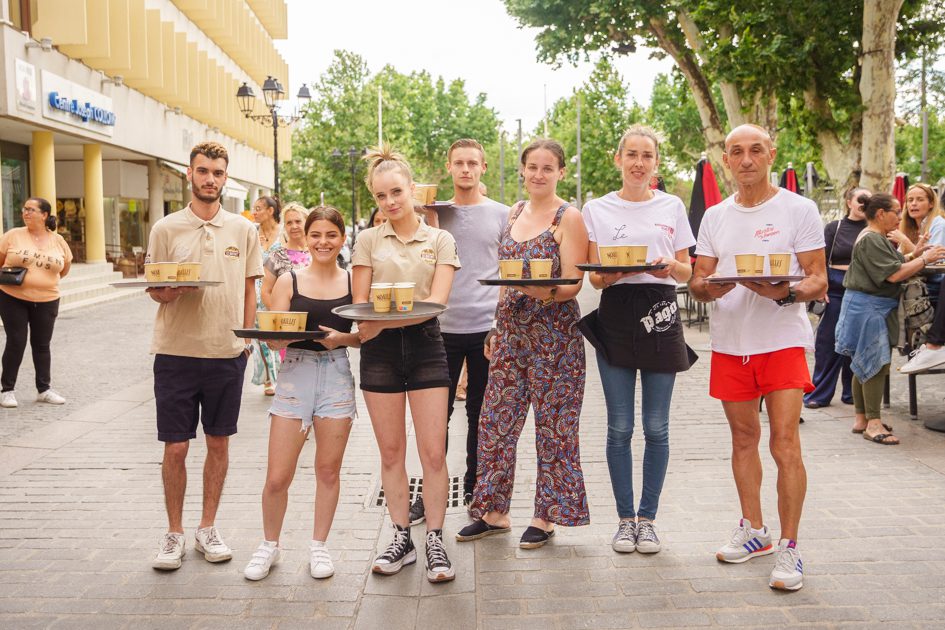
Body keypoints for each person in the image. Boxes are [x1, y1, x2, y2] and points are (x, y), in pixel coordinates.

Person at [689, 124, 827, 592]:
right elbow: (697, 282)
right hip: (731, 343)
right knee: (744, 439)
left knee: (784, 443)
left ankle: (790, 547)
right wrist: (710, 288)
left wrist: (784, 291)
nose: (746, 159)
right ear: (725, 160)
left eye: (755, 150)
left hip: (783, 339)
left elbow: (818, 280)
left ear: (771, 153)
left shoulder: (799, 208)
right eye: (736, 152)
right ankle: (755, 531)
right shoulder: (714, 216)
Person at [458, 138, 589, 549]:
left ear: (560, 173)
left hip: (556, 337)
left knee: (554, 428)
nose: (538, 174)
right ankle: (493, 512)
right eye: (532, 166)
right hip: (512, 334)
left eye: (547, 168)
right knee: (495, 423)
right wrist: (496, 328)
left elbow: (572, 283)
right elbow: (503, 279)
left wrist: (535, 291)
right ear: (522, 169)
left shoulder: (569, 217)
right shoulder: (514, 212)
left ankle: (545, 517)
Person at [579, 125, 696, 554]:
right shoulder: (597, 208)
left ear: (656, 164)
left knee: (657, 427)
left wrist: (670, 266)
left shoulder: (672, 205)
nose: (639, 162)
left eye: (647, 155)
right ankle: (624, 519)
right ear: (618, 158)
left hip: (661, 312)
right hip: (616, 312)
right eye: (631, 154)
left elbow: (688, 270)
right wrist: (615, 272)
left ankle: (648, 519)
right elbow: (594, 274)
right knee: (619, 427)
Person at [149, 141, 263, 570]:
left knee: (218, 443)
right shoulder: (166, 228)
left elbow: (251, 286)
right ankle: (173, 533)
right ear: (189, 175)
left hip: (226, 353)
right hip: (175, 352)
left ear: (226, 177)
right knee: (175, 448)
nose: (209, 179)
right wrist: (169, 291)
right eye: (202, 171)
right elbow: (155, 289)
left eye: (217, 172)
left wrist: (247, 340)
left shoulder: (243, 229)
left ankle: (207, 528)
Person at [350, 145, 460, 583]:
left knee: (433, 453)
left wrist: (385, 321)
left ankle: (435, 538)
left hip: (427, 347)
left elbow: (437, 303)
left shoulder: (440, 239)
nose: (390, 201)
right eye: (381, 196)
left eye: (396, 191)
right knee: (391, 452)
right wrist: (371, 325)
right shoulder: (366, 240)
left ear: (413, 189)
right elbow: (360, 305)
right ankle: (401, 538)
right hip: (379, 353)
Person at [243, 206, 359, 581]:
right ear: (305, 239)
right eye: (316, 235)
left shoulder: (354, 281)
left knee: (327, 470)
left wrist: (343, 339)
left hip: (337, 376)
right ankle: (269, 546)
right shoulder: (289, 280)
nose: (323, 242)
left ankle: (319, 547)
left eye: (331, 235)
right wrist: (284, 337)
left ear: (341, 239)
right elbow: (273, 332)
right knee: (278, 475)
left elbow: (369, 335)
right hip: (294, 375)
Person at [407, 139, 509, 524]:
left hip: (487, 329)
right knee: (437, 415)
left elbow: (509, 273)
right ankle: (428, 493)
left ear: (483, 167)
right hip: (441, 328)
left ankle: (475, 489)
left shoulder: (502, 214)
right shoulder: (434, 213)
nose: (466, 169)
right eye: (459, 163)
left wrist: (502, 324)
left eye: (472, 163)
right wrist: (425, 222)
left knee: (482, 415)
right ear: (448, 168)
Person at [838, 193, 945, 433]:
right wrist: (925, 258)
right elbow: (894, 274)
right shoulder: (871, 239)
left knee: (861, 362)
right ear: (880, 214)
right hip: (870, 308)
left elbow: (894, 264)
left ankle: (861, 419)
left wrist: (915, 254)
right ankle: (873, 424)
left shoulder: (875, 237)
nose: (900, 217)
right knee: (875, 363)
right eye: (896, 212)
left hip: (867, 306)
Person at [0, 197, 72, 408]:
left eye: (31, 209)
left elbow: (65, 268)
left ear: (44, 215)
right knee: (16, 340)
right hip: (12, 297)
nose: (26, 212)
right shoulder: (13, 235)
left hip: (48, 299)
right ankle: (7, 390)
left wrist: (43, 281)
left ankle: (44, 389)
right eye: (24, 209)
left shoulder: (58, 240)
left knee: (42, 345)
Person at [803, 187, 870, 409]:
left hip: (862, 290)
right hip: (835, 289)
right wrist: (820, 288)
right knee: (827, 342)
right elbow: (819, 259)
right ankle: (819, 393)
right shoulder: (835, 227)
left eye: (868, 200)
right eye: (861, 199)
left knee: (857, 343)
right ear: (849, 202)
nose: (864, 203)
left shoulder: (873, 229)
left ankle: (852, 393)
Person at [252, 196, 282, 395]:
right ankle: (270, 379)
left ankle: (281, 374)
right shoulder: (252, 233)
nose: (254, 212)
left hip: (278, 291)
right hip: (255, 292)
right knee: (260, 337)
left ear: (270, 211)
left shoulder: (284, 232)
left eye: (258, 208)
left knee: (278, 334)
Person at [260, 202, 312, 310]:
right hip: (287, 322)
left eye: (298, 221)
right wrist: (281, 316)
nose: (294, 226)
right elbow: (265, 292)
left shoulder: (317, 253)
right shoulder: (275, 256)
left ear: (307, 223)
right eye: (289, 223)